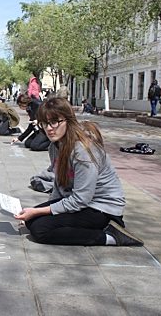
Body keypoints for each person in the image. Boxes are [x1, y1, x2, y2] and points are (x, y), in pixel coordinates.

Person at [13, 97, 144, 247]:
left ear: (68, 120)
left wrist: (40, 212)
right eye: (44, 123)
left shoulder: (83, 150)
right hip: (82, 202)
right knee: (30, 220)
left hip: (102, 209)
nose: (49, 128)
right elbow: (58, 183)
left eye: (54, 122)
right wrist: (43, 210)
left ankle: (110, 237)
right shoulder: (55, 146)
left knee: (40, 229)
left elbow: (81, 199)